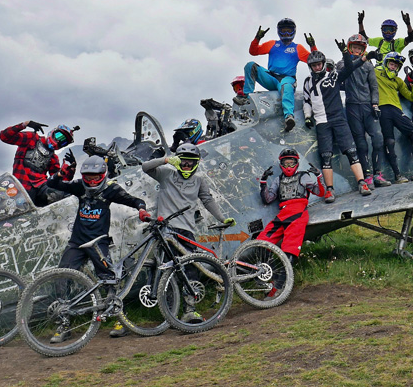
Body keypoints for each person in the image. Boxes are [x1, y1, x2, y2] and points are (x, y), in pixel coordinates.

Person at [47, 155, 147, 340]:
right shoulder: (79, 186)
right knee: (62, 278)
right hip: (76, 242)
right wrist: (61, 173)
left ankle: (120, 321)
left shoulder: (111, 189)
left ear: (104, 174)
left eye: (96, 177)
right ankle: (64, 325)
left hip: (98, 242)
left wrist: (141, 209)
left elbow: (133, 200)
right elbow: (54, 184)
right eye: (88, 177)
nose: (92, 181)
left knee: (108, 279)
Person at [141, 143, 229, 323]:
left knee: (191, 268)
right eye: (183, 162)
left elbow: (207, 200)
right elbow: (145, 167)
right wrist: (166, 159)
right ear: (177, 161)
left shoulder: (199, 181)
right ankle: (170, 314)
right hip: (165, 230)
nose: (187, 165)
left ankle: (190, 310)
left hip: (186, 231)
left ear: (196, 163)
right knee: (166, 270)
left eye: (191, 162)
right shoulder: (166, 174)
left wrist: (222, 219)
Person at [303, 46, 372, 202]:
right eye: (314, 65)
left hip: (338, 119)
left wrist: (345, 53)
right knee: (326, 156)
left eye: (319, 64)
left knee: (351, 152)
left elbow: (349, 68)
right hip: (321, 121)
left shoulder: (333, 76)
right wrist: (308, 116)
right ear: (311, 67)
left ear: (323, 63)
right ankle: (329, 190)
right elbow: (306, 100)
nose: (317, 67)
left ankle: (362, 183)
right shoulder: (307, 82)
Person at [237, 18, 318, 132]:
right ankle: (245, 97)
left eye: (288, 31)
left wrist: (312, 46)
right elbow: (253, 51)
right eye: (283, 30)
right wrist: (257, 38)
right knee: (250, 65)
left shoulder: (297, 48)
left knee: (287, 86)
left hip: (287, 78)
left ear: (293, 32)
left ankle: (289, 116)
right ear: (278, 31)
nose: (286, 33)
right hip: (271, 77)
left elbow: (314, 60)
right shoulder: (273, 44)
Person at [336, 34, 391, 189]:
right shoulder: (341, 64)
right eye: (354, 47)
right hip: (352, 106)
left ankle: (378, 174)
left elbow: (374, 86)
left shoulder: (368, 65)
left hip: (368, 106)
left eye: (360, 48)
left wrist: (375, 104)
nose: (357, 50)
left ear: (363, 49)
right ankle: (367, 176)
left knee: (378, 139)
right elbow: (345, 71)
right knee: (361, 143)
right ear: (349, 47)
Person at [258, 148, 325, 267]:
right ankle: (268, 273)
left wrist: (318, 176)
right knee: (261, 242)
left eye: (291, 163)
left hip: (298, 213)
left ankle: (284, 279)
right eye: (286, 163)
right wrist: (263, 181)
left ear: (296, 164)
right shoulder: (278, 180)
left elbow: (320, 192)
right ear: (281, 164)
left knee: (290, 247)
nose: (288, 166)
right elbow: (268, 199)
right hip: (282, 214)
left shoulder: (303, 176)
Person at [375, 51, 413, 182]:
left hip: (396, 110)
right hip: (382, 110)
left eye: (396, 66)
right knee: (389, 142)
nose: (393, 67)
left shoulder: (398, 81)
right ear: (386, 64)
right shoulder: (376, 73)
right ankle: (397, 175)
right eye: (391, 64)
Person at [0, 121, 78, 207]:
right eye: (59, 136)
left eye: (63, 142)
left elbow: (57, 182)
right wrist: (25, 124)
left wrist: (70, 169)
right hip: (21, 186)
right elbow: (5, 136)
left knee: (65, 196)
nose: (59, 141)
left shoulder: (53, 157)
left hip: (41, 188)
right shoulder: (32, 138)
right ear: (53, 132)